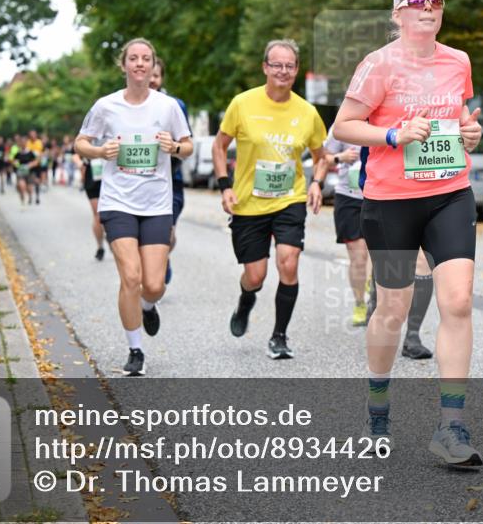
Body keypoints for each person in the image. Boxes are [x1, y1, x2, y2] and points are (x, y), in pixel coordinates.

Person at [333, 0, 483, 467]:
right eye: (418, 0)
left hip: (450, 193)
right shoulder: (378, 64)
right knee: (393, 310)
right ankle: (377, 413)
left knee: (457, 301)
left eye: (436, 0)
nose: (429, 6)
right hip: (392, 201)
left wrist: (471, 132)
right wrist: (394, 135)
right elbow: (344, 126)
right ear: (398, 13)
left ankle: (451, 426)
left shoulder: (458, 61)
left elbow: (460, 117)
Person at [75, 38, 193, 377]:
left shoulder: (167, 106)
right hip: (118, 202)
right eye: (133, 58)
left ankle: (147, 305)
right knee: (131, 276)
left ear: (153, 65)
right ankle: (135, 349)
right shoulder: (106, 106)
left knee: (154, 285)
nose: (140, 63)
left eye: (146, 58)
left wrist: (174, 147)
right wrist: (100, 151)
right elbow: (80, 143)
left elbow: (187, 146)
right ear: (124, 65)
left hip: (156, 204)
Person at [213, 39, 328, 360]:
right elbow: (219, 146)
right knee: (255, 276)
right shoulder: (242, 104)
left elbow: (322, 156)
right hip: (249, 203)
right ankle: (246, 300)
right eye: (277, 65)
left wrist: (317, 183)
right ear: (265, 67)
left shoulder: (307, 112)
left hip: (290, 200)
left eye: (289, 66)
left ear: (296, 70)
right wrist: (224, 186)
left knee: (289, 262)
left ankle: (279, 336)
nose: (283, 71)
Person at [323, 126, 371, 326]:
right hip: (348, 197)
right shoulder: (341, 125)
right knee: (358, 257)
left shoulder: (383, 118)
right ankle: (360, 303)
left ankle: (373, 289)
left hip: (378, 196)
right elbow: (323, 158)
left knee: (377, 254)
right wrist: (340, 157)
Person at [149, 58, 191, 285]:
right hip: (139, 182)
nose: (152, 80)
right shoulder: (124, 105)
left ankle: (163, 256)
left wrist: (173, 147)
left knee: (168, 235)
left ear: (162, 78)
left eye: (156, 76)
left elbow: (186, 146)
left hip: (170, 181)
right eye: (149, 75)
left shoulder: (175, 106)